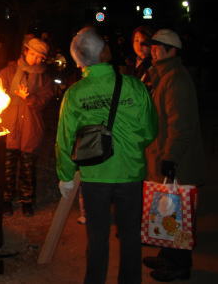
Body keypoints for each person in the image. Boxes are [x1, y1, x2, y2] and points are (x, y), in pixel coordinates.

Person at [56, 27, 157, 284]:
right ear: (105, 52)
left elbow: (65, 139)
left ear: (79, 60)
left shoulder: (75, 94)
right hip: (130, 174)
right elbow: (150, 130)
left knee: (97, 237)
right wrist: (131, 147)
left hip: (95, 176)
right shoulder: (134, 86)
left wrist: (66, 176)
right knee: (131, 236)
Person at [141, 29, 205, 282]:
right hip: (165, 154)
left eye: (158, 47)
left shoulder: (175, 79)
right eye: (152, 47)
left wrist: (171, 157)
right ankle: (167, 255)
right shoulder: (163, 75)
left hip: (178, 160)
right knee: (166, 211)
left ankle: (179, 264)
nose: (153, 50)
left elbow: (181, 124)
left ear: (172, 51)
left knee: (176, 212)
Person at [0, 37, 54, 217]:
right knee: (7, 167)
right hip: (9, 125)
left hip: (31, 128)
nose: (35, 60)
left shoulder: (44, 78)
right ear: (25, 52)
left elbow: (45, 100)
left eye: (39, 57)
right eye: (32, 54)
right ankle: (6, 199)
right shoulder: (9, 71)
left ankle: (27, 200)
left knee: (28, 168)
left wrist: (29, 98)